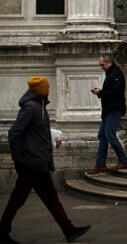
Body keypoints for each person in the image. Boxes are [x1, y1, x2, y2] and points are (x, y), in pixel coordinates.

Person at [0, 76, 92, 243]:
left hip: (39, 162)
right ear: (42, 90)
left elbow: (36, 132)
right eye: (47, 88)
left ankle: (68, 229)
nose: (49, 90)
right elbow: (14, 133)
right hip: (29, 163)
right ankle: (2, 230)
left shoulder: (39, 106)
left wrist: (51, 140)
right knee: (18, 199)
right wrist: (18, 159)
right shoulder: (31, 108)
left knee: (50, 197)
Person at [86, 53, 127, 174]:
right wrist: (101, 92)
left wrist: (100, 93)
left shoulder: (116, 74)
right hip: (109, 110)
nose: (101, 67)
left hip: (113, 109)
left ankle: (123, 160)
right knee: (102, 136)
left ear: (109, 62)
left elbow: (116, 92)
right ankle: (100, 164)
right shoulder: (112, 73)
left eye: (102, 64)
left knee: (109, 135)